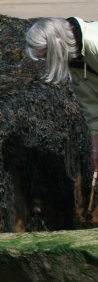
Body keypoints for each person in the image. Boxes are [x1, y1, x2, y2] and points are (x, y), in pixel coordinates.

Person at [25, 17, 98, 170]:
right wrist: (96, 149)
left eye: (44, 56)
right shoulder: (75, 60)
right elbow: (93, 109)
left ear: (57, 47)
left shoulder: (94, 44)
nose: (44, 61)